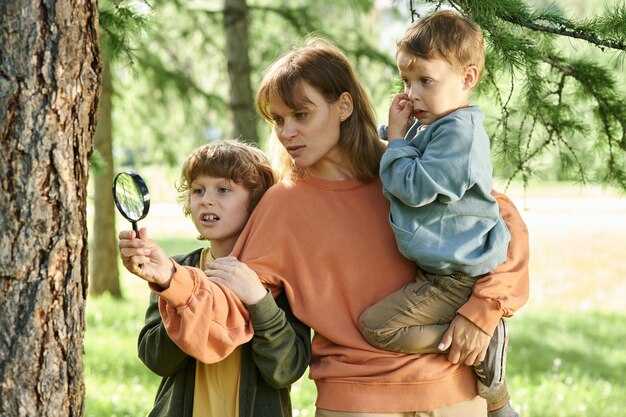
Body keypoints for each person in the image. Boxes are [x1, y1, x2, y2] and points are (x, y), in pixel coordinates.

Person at [120, 39, 528, 417]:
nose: (287, 133)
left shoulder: (404, 169)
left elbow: (504, 229)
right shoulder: (282, 206)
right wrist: (171, 279)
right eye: (278, 120)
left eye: (302, 114)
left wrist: (483, 312)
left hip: (456, 393)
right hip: (354, 404)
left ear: (343, 106)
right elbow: (228, 311)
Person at [358, 11, 518, 417]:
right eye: (406, 81)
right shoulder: (436, 124)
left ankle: (482, 342)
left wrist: (396, 140)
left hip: (455, 278)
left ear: (467, 78)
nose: (411, 94)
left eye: (425, 81)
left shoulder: (460, 135)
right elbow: (402, 151)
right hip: (441, 271)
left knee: (379, 327)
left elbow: (413, 186)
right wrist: (387, 137)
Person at [127, 140, 311, 417]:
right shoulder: (176, 269)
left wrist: (259, 301)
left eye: (223, 190)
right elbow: (157, 360)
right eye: (198, 190)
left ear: (258, 202)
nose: (206, 200)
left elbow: (285, 370)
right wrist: (176, 291)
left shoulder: (280, 277)